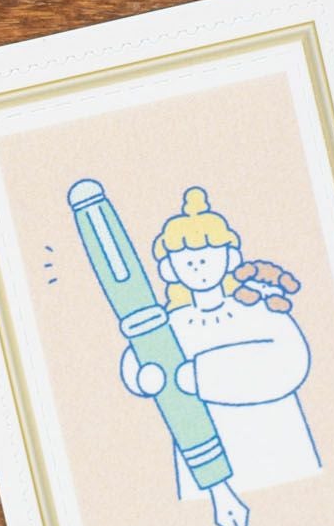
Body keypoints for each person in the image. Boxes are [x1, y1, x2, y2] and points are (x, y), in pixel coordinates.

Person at [120, 187, 320, 498]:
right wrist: (139, 375)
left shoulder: (257, 307)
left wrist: (203, 376)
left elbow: (290, 360)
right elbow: (144, 353)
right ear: (169, 268)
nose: (197, 264)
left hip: (275, 439)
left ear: (230, 257)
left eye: (207, 254)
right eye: (186, 259)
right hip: (203, 449)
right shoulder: (174, 322)